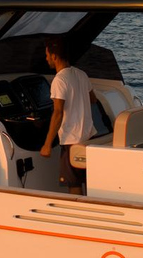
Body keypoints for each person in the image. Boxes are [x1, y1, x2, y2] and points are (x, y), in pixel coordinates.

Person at [40, 36, 97, 195]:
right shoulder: (81, 74)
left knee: (74, 184)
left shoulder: (59, 80)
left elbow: (58, 113)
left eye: (47, 55)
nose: (46, 59)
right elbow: (93, 99)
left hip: (71, 141)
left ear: (54, 56)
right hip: (88, 137)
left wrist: (47, 144)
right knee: (88, 182)